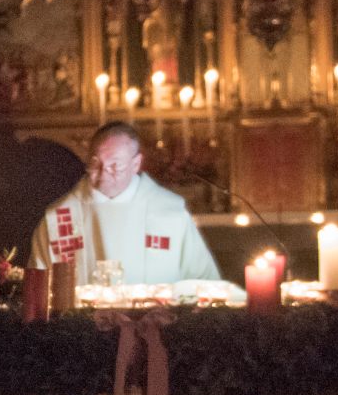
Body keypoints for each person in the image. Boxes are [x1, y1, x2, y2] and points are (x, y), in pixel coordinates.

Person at [30, 121, 222, 286]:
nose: (104, 174)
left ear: (135, 164)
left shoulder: (169, 213)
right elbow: (38, 287)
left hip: (156, 318)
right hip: (82, 319)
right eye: (96, 164)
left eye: (115, 166)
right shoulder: (60, 216)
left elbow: (204, 282)